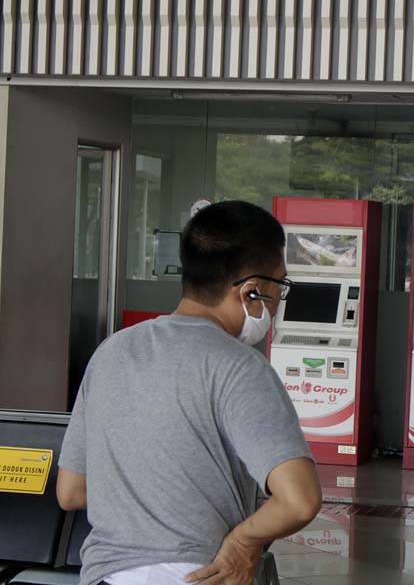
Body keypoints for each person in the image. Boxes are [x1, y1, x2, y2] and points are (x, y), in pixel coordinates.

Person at [56, 200, 321, 585]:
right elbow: (300, 501)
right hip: (201, 574)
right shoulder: (240, 368)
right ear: (251, 292)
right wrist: (245, 541)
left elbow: (72, 491)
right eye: (279, 285)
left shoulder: (111, 353)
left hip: (105, 576)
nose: (279, 300)